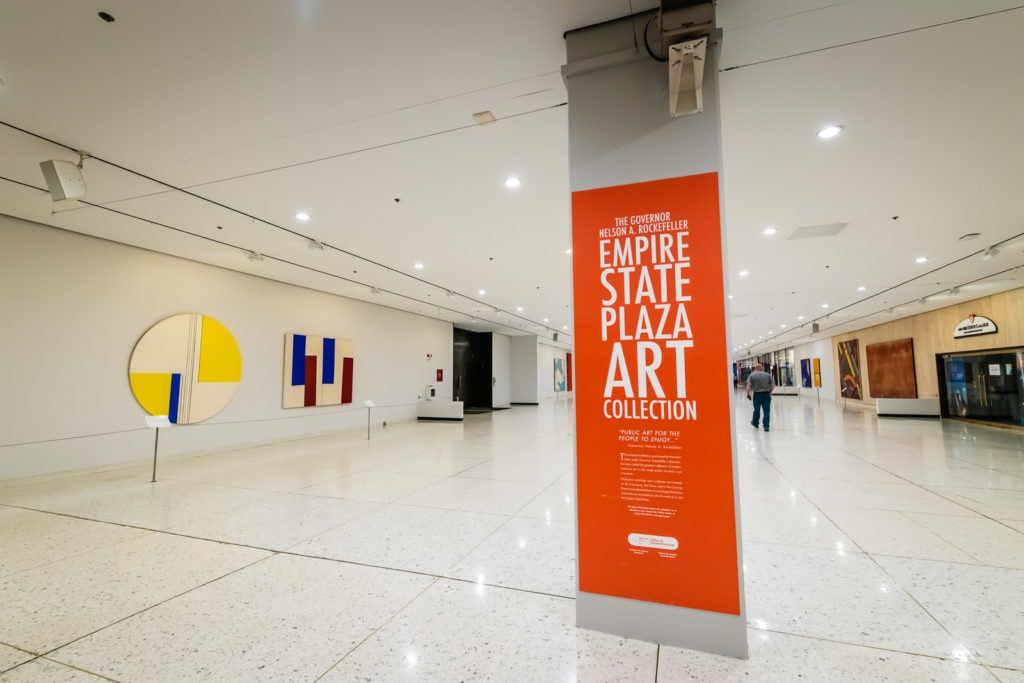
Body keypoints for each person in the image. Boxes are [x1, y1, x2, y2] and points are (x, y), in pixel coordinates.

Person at [746, 363, 776, 431]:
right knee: (766, 411)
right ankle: (766, 426)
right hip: (766, 394)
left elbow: (748, 386)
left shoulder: (752, 375)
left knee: (756, 410)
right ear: (761, 368)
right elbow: (773, 384)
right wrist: (769, 392)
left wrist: (748, 394)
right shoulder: (767, 375)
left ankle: (755, 423)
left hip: (757, 395)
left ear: (755, 368)